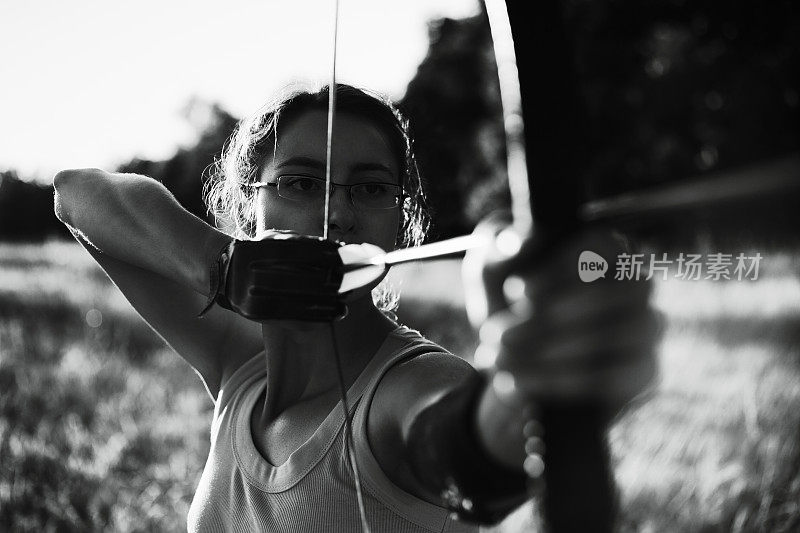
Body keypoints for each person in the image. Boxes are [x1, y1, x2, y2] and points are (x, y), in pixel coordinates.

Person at [53, 83, 658, 532]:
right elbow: (81, 196)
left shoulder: (410, 384)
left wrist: (520, 390)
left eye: (370, 189)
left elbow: (461, 445)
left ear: (402, 222)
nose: (335, 216)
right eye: (298, 182)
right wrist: (223, 265)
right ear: (245, 209)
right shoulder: (237, 363)